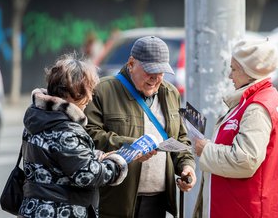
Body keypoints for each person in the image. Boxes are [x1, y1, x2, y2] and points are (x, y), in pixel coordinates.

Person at [84, 36, 197, 218]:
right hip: (115, 201)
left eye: (161, 72)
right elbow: (90, 136)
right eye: (149, 71)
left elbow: (180, 139)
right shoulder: (102, 90)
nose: (155, 78)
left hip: (157, 201)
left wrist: (186, 166)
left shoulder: (170, 93)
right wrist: (134, 147)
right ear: (131, 63)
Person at [193, 39, 278, 218]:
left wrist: (206, 149)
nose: (229, 76)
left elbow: (246, 159)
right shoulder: (262, 96)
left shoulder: (257, 107)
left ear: (249, 73)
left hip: (249, 209)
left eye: (233, 69)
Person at [18, 53, 128, 218]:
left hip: (33, 208)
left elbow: (58, 161)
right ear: (73, 92)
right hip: (61, 211)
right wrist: (116, 165)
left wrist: (95, 156)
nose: (89, 99)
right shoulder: (66, 130)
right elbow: (86, 175)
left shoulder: (38, 117)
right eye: (87, 92)